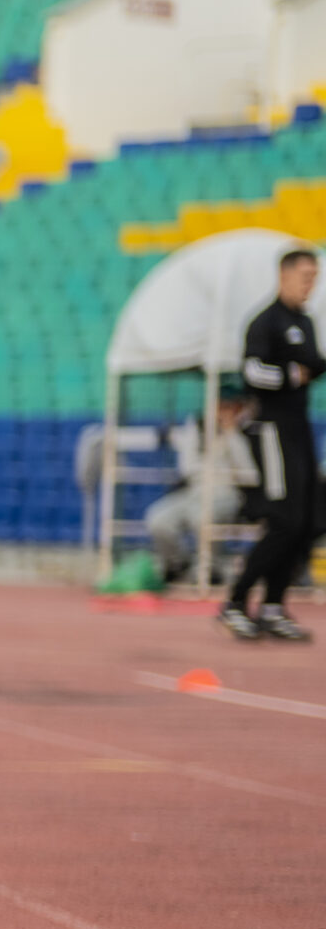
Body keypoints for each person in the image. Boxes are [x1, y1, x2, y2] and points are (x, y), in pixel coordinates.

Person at [220, 249, 320, 642]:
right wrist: (291, 375)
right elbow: (252, 372)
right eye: (304, 275)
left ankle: (274, 606)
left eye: (315, 276)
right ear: (283, 275)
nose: (310, 283)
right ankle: (235, 601)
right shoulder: (266, 322)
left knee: (306, 522)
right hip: (273, 430)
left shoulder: (305, 322)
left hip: (299, 429)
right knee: (284, 521)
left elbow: (313, 362)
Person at [145, 387, 257, 584]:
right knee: (157, 519)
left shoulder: (248, 432)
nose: (223, 411)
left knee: (203, 517)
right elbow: (187, 468)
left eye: (229, 407)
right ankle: (178, 562)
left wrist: (231, 434)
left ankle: (211, 568)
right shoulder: (197, 427)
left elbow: (249, 475)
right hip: (195, 491)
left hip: (227, 494)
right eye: (220, 406)